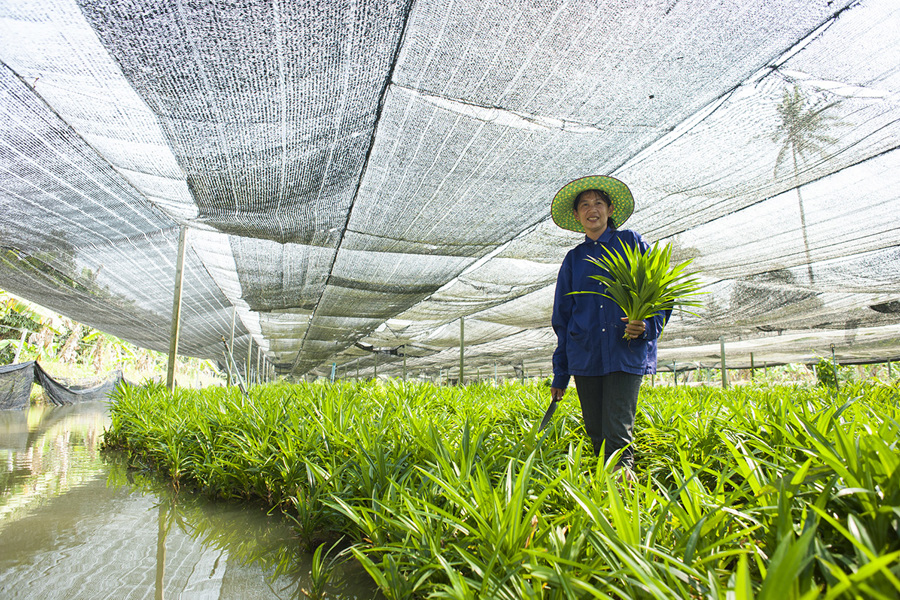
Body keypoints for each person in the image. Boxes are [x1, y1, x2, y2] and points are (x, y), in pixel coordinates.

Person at [549, 175, 669, 474]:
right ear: (577, 216)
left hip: (623, 351)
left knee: (617, 433)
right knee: (596, 432)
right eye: (585, 205)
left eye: (599, 203)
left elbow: (659, 291)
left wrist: (647, 325)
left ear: (610, 208)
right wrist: (561, 373)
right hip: (586, 354)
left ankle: (624, 505)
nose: (593, 210)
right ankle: (606, 497)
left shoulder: (630, 242)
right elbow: (562, 317)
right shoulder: (574, 259)